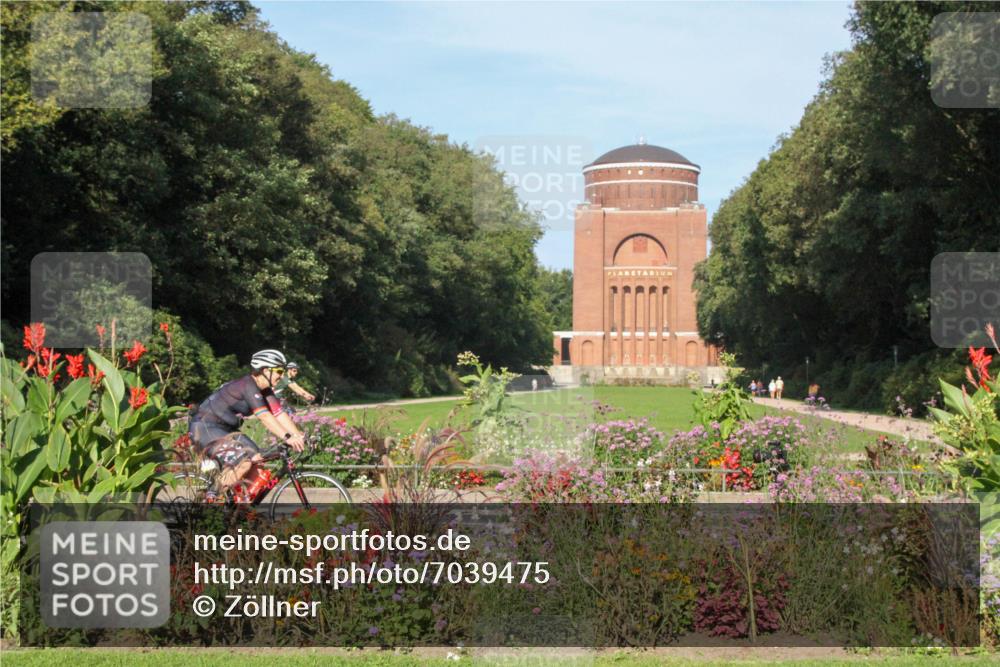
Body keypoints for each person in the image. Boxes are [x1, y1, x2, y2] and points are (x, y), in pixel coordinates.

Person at [188, 349, 306, 496]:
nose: (282, 376)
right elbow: (265, 417)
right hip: (205, 428)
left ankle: (240, 511)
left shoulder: (266, 390)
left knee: (257, 459)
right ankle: (211, 499)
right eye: (279, 371)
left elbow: (279, 413)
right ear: (265, 370)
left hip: (226, 430)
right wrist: (288, 437)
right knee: (244, 462)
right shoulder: (247, 385)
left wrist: (299, 435)